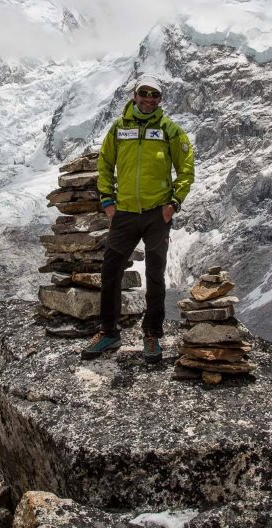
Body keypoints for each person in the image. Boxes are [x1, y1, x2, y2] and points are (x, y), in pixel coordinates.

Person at [81, 74, 195, 363]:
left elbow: (186, 169)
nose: (148, 98)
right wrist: (107, 201)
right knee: (110, 271)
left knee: (155, 274)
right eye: (143, 93)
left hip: (157, 214)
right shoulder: (119, 128)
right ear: (134, 95)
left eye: (154, 95)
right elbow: (105, 164)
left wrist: (173, 204)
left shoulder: (170, 130)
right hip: (125, 213)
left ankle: (153, 333)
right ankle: (109, 331)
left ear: (160, 99)